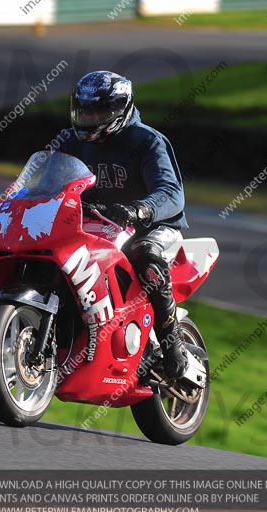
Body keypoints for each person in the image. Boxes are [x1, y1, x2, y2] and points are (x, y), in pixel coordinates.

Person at [57, 70, 189, 381]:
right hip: (98, 227)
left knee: (145, 254)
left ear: (120, 109)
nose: (90, 118)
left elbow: (172, 193)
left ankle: (173, 346)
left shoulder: (147, 141)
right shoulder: (69, 142)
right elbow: (45, 180)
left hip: (151, 227)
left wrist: (140, 209)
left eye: (99, 111)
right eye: (84, 110)